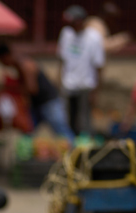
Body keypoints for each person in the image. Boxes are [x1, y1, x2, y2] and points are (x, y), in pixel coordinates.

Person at [0, 42, 75, 142]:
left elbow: (32, 89)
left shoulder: (25, 65)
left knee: (62, 132)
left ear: (5, 57)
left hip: (49, 102)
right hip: (37, 105)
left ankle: (77, 152)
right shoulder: (18, 65)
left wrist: (12, 88)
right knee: (28, 132)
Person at [57, 5, 105, 137]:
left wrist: (96, 92)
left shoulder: (94, 38)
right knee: (68, 122)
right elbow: (61, 60)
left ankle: (86, 151)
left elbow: (99, 67)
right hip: (68, 85)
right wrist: (59, 83)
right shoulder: (66, 34)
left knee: (84, 122)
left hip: (86, 86)